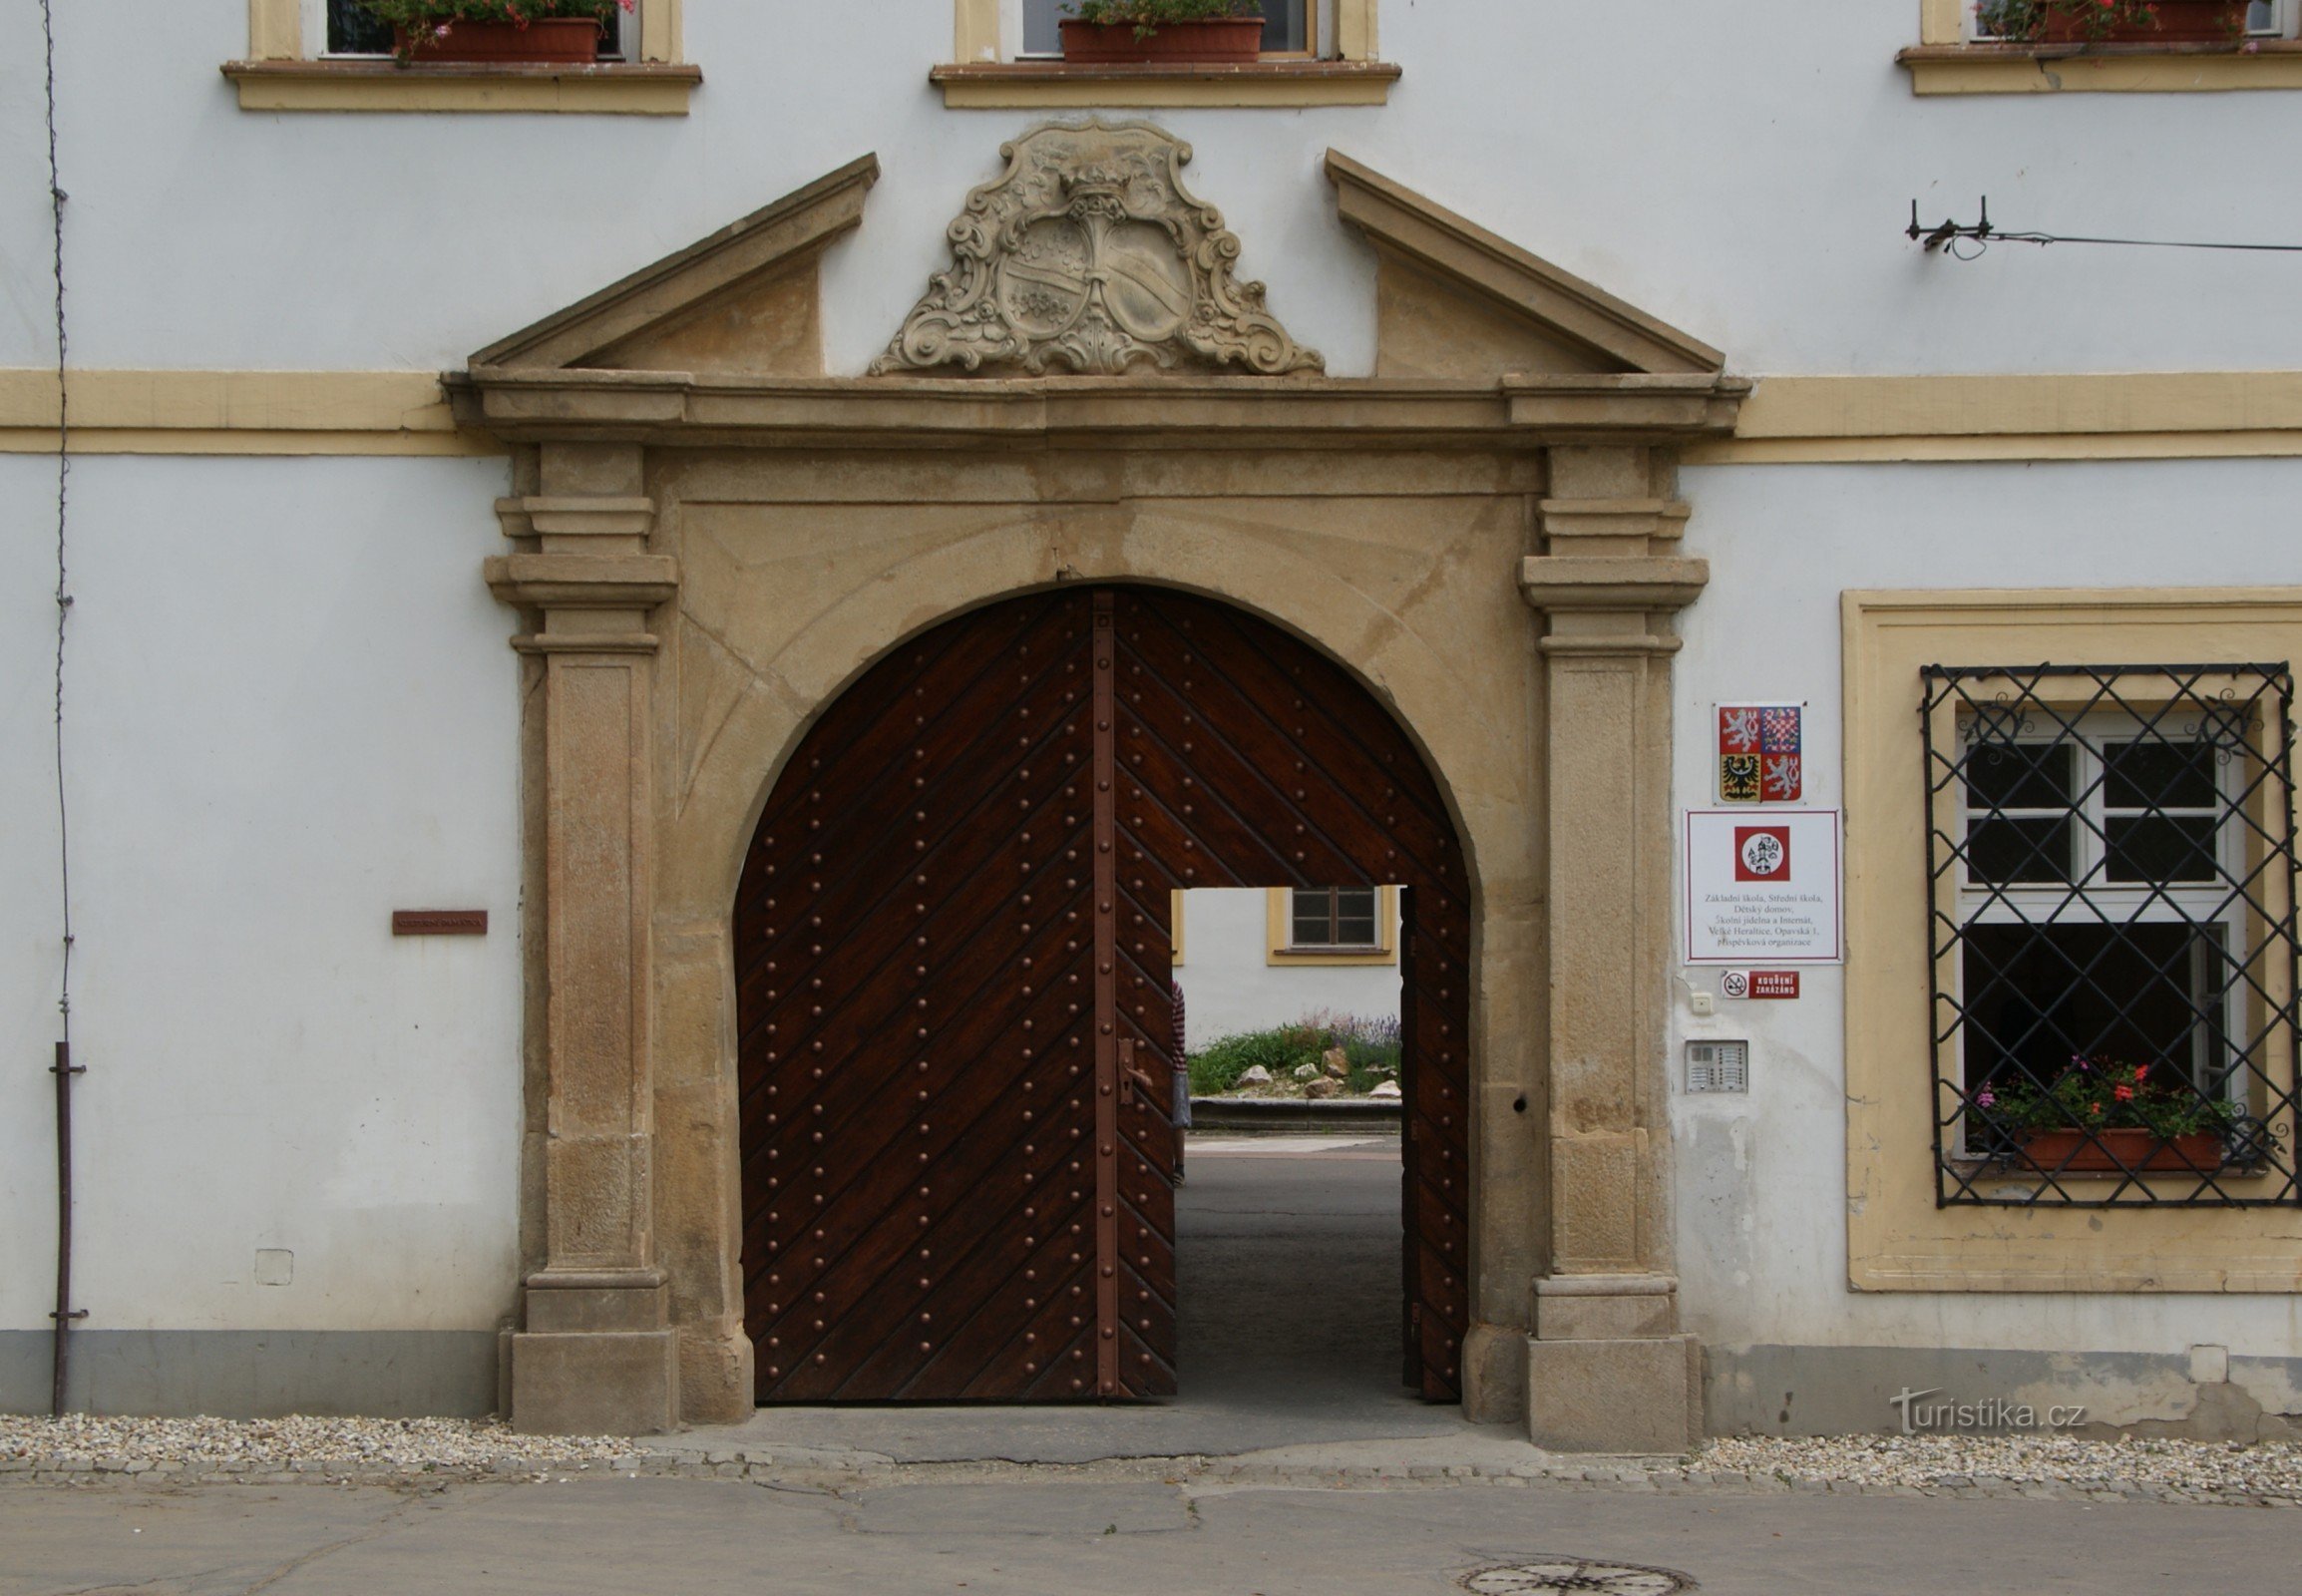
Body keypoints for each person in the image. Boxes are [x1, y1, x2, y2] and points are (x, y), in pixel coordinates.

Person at [1170, 978, 1191, 1185]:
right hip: (1174, 1060)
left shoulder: (1171, 987)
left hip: (1172, 1060)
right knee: (1176, 1118)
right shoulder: (1174, 986)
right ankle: (1179, 1168)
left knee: (1176, 1118)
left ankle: (1179, 1167)